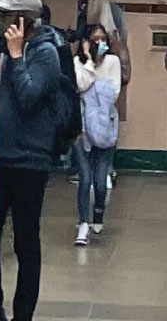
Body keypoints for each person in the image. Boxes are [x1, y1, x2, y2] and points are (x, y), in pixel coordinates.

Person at [0, 0, 64, 321]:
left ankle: (23, 313)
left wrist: (15, 59)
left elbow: (29, 97)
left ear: (22, 21)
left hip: (29, 160)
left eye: (4, 17)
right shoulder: (6, 48)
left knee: (26, 240)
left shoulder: (46, 53)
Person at [70, 23, 122, 243]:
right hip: (81, 128)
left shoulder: (113, 62)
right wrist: (90, 62)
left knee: (101, 182)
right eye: (94, 39)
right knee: (85, 178)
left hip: (106, 127)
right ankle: (83, 223)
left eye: (103, 39)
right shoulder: (78, 63)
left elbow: (114, 92)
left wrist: (92, 89)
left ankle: (98, 214)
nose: (99, 43)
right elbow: (80, 85)